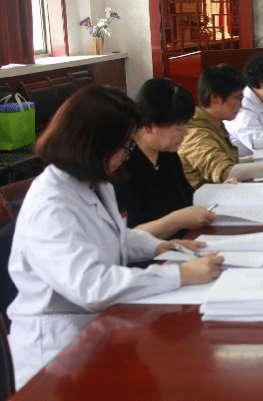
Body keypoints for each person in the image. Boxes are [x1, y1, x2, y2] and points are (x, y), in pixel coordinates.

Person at [6, 85, 223, 387]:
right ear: (92, 145)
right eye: (123, 147)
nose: (126, 154)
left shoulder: (94, 183)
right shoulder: (51, 207)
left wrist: (161, 246)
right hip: (58, 356)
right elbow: (92, 286)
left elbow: (114, 235)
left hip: (98, 329)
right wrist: (181, 275)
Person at [113, 78, 215, 239]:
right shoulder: (121, 165)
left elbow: (187, 200)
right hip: (154, 251)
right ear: (148, 126)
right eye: (178, 126)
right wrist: (177, 221)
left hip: (184, 242)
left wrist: (218, 192)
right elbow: (127, 236)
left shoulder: (168, 155)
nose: (185, 132)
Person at [177, 64, 263, 189]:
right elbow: (226, 172)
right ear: (215, 98)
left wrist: (261, 160)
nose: (241, 104)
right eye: (238, 98)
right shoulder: (196, 133)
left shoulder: (214, 124)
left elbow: (230, 162)